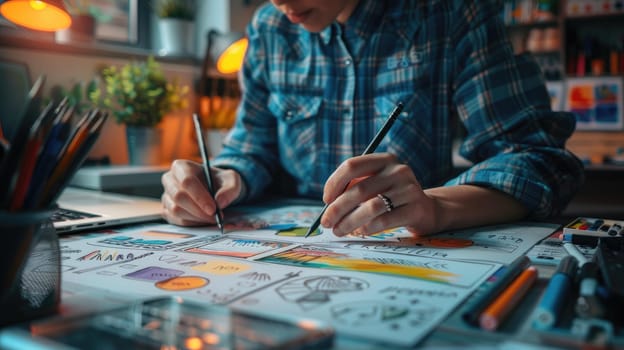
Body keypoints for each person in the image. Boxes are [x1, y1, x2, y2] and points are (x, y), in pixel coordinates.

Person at [161, 0, 584, 237]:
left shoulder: (453, 14)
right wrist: (224, 177)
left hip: (409, 251)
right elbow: (253, 148)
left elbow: (536, 159)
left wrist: (433, 207)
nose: (279, 1)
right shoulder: (270, 28)